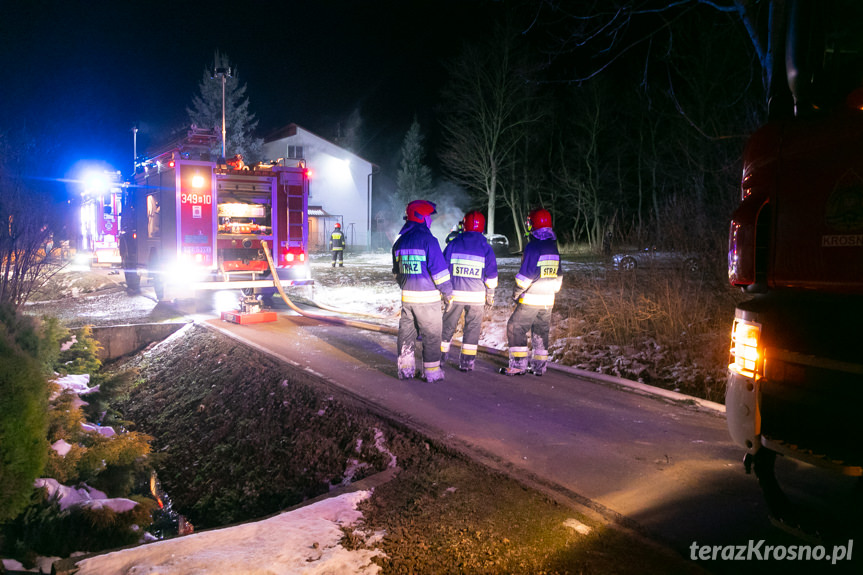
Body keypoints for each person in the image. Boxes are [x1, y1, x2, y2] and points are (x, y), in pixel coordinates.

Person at [392, 200, 454, 382]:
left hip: (408, 300)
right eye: (428, 217)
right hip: (428, 301)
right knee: (432, 335)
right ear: (421, 217)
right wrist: (447, 294)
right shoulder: (429, 241)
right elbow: (440, 274)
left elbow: (397, 273)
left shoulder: (400, 242)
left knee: (407, 335)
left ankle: (405, 370)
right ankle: (432, 373)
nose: (430, 221)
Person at [501, 207, 562, 376]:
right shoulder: (553, 247)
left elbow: (524, 277)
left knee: (515, 327)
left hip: (531, 299)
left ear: (533, 224)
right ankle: (539, 367)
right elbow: (559, 276)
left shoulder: (533, 247)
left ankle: (518, 365)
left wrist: (516, 293)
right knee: (541, 332)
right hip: (548, 300)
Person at [441, 211, 497, 372]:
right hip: (477, 298)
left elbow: (444, 269)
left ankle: (440, 358)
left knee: (447, 326)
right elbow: (491, 275)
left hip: (455, 294)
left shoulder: (453, 244)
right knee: (472, 329)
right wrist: (490, 295)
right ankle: (467, 363)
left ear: (463, 225)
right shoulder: (486, 248)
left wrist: (444, 291)